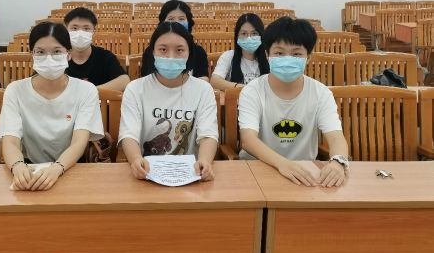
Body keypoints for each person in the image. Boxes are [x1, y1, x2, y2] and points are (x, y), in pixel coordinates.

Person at [238, 17, 350, 188]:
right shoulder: (252, 91)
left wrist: (338, 162)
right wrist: (283, 164)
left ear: (308, 57)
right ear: (267, 55)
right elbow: (248, 140)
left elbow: (336, 137)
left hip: (305, 175)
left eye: (296, 54)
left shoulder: (321, 93)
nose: (287, 58)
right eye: (279, 53)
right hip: (257, 171)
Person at [0, 22, 105, 192]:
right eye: (40, 52)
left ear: (69, 54)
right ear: (32, 54)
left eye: (57, 51)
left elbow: (79, 142)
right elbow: (11, 140)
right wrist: (17, 167)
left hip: (70, 167)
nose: (49, 58)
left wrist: (56, 168)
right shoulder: (15, 90)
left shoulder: (86, 90)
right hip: (28, 168)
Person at [119, 22, 219, 182]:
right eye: (163, 49)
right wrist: (136, 159)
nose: (171, 57)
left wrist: (205, 161)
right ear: (153, 52)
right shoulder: (135, 89)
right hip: (148, 173)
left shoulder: (203, 90)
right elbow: (129, 134)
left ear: (189, 53)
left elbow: (208, 134)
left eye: (179, 50)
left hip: (190, 174)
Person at [140, 0, 210, 82]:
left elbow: (203, 79)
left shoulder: (198, 51)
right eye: (171, 19)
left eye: (181, 19)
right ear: (163, 23)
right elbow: (146, 79)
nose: (176, 23)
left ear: (188, 22)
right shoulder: (151, 51)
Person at [64, 7, 130, 91]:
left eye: (86, 28)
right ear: (66, 30)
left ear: (93, 32)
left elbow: (124, 80)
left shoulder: (105, 57)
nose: (80, 33)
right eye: (74, 28)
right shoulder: (59, 57)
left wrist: (90, 92)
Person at [211, 13, 270, 90]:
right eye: (243, 33)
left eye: (254, 33)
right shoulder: (228, 56)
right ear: (237, 37)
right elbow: (215, 81)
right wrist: (241, 88)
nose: (249, 38)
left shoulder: (269, 57)